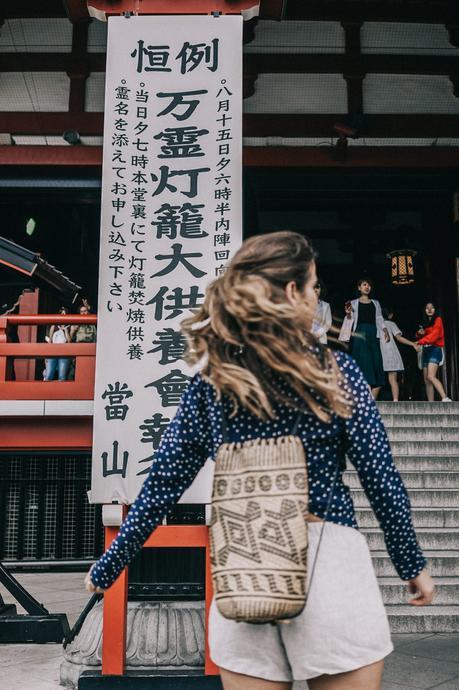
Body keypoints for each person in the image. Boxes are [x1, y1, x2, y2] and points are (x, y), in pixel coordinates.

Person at [85, 232, 433, 690]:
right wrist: (411, 564)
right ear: (292, 293)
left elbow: (161, 487)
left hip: (243, 565)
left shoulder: (213, 383)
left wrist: (109, 565)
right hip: (327, 565)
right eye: (312, 287)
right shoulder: (335, 371)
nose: (315, 297)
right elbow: (380, 479)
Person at [339, 279, 389, 399]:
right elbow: (350, 318)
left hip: (373, 334)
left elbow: (379, 317)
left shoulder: (375, 303)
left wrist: (385, 329)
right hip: (360, 334)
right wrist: (348, 313)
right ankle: (363, 397)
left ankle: (371, 400)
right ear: (359, 288)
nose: (367, 287)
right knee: (364, 362)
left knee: (376, 362)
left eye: (369, 285)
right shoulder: (353, 302)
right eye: (364, 285)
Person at [415, 302, 451, 402]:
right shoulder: (425, 323)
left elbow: (435, 335)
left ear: (435, 309)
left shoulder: (438, 319)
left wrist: (420, 341)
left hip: (435, 349)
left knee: (431, 376)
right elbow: (421, 336)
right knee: (426, 380)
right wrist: (419, 334)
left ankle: (445, 397)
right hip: (426, 351)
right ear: (425, 310)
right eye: (427, 308)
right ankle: (431, 403)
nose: (429, 310)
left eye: (432, 308)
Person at [380, 308, 418, 402]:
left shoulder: (376, 323)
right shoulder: (391, 324)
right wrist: (413, 344)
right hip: (390, 352)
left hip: (379, 352)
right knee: (393, 379)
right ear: (391, 315)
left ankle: (371, 402)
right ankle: (395, 400)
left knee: (377, 380)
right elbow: (399, 338)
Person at [44, 306, 71, 381]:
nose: (63, 316)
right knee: (49, 375)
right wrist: (46, 355)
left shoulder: (69, 327)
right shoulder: (54, 326)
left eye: (65, 314)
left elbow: (69, 341)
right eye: (62, 314)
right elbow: (50, 341)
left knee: (62, 377)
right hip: (53, 352)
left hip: (64, 353)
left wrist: (65, 330)